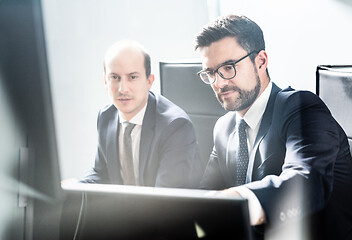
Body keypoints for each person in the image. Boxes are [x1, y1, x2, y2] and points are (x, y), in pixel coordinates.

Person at [194, 15, 352, 239]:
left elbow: (305, 183)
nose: (218, 83)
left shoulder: (301, 108)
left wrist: (237, 201)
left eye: (228, 67)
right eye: (210, 73)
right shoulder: (224, 128)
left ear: (261, 61)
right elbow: (203, 197)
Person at [81, 40, 202, 188]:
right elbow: (101, 174)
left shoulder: (175, 126)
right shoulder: (106, 116)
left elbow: (168, 199)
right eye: (114, 77)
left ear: (149, 81)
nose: (122, 89)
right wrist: (71, 188)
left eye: (132, 77)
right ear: (106, 82)